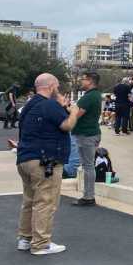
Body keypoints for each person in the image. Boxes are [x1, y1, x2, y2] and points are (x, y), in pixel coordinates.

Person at [16, 73, 80, 255]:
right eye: (57, 87)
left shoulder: (29, 105)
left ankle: (25, 238)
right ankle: (41, 243)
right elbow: (67, 125)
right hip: (45, 161)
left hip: (25, 158)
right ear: (51, 86)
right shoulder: (49, 104)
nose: (58, 90)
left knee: (29, 200)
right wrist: (74, 111)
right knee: (46, 201)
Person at [72, 71, 103, 207]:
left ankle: (89, 196)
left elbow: (76, 115)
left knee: (88, 166)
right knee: (88, 166)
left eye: (83, 79)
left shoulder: (89, 97)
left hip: (87, 135)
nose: (81, 81)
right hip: (91, 133)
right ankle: (88, 195)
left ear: (90, 81)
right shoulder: (95, 95)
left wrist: (67, 109)